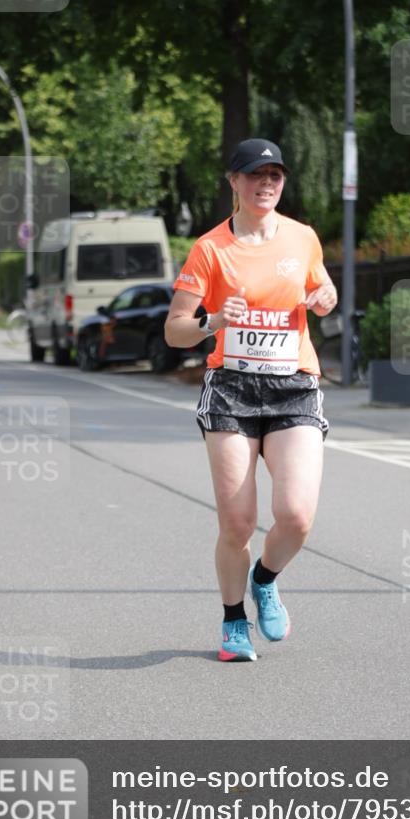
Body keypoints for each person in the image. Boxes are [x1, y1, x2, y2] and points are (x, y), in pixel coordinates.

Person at [165, 138, 338, 662]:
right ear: (234, 182)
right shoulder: (211, 248)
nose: (267, 184)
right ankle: (234, 619)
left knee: (296, 515)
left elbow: (323, 290)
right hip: (232, 392)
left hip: (293, 386)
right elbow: (174, 331)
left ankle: (265, 579)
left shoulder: (302, 238)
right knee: (238, 522)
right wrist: (214, 321)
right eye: (256, 175)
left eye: (276, 176)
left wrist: (326, 298)